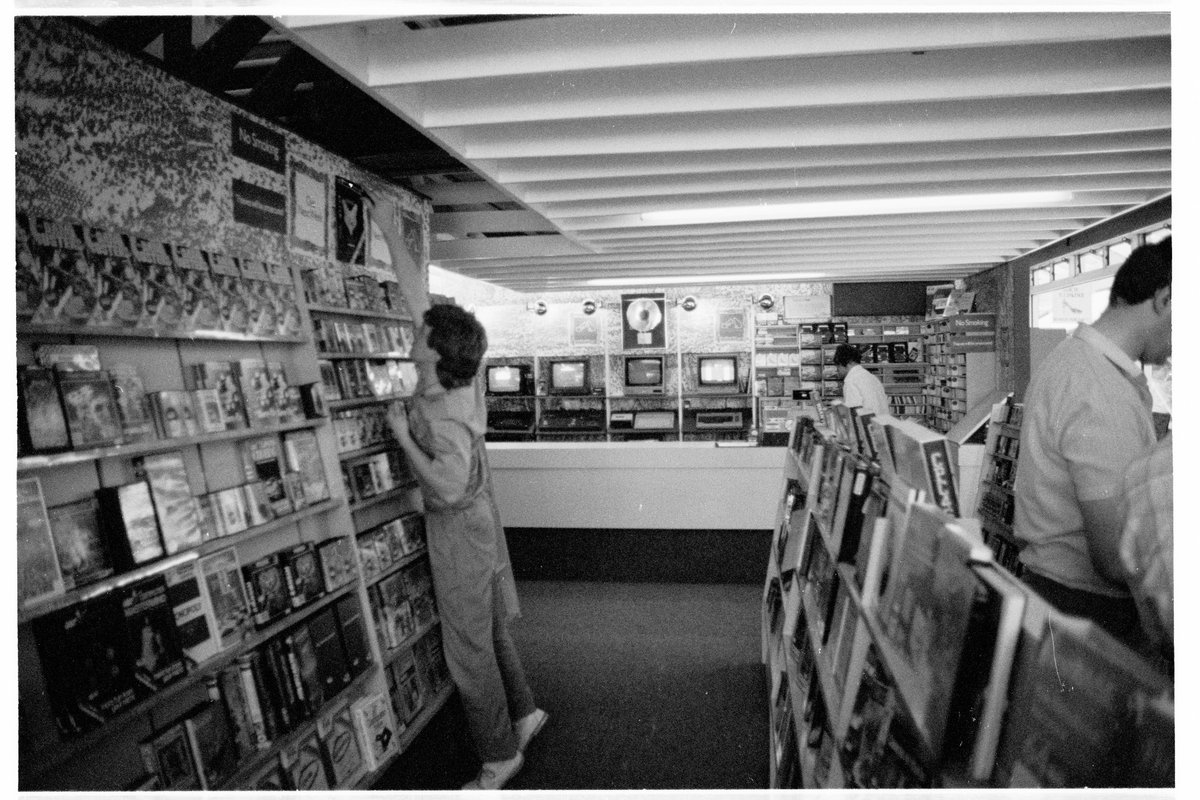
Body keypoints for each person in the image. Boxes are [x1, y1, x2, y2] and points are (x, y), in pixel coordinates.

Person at [369, 194, 547, 791]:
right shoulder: (456, 377)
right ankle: (523, 712)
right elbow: (419, 300)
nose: (414, 333)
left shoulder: (442, 412)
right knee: (491, 629)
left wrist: (400, 434)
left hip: (460, 532)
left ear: (436, 352)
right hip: (484, 526)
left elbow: (443, 487)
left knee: (467, 649)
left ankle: (499, 755)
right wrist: (391, 231)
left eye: (422, 335)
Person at [1013, 237, 1171, 647]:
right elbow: (1115, 556)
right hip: (1089, 613)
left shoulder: (1075, 364)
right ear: (1165, 299)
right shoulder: (1097, 389)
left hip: (1056, 597)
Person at [832, 343, 889, 417]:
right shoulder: (872, 377)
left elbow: (853, 413)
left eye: (838, 366)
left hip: (869, 426)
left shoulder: (851, 381)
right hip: (883, 424)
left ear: (846, 363)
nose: (837, 370)